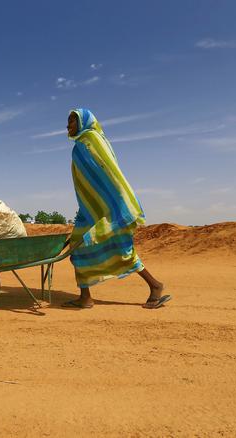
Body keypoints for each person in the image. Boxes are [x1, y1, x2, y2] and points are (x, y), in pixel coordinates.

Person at [62, 108, 171, 309]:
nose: (67, 126)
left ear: (83, 122)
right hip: (91, 210)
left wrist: (114, 206)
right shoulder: (81, 145)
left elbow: (110, 174)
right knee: (78, 249)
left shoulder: (91, 141)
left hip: (110, 209)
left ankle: (155, 286)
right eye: (68, 121)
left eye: (72, 121)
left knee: (122, 249)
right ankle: (85, 297)